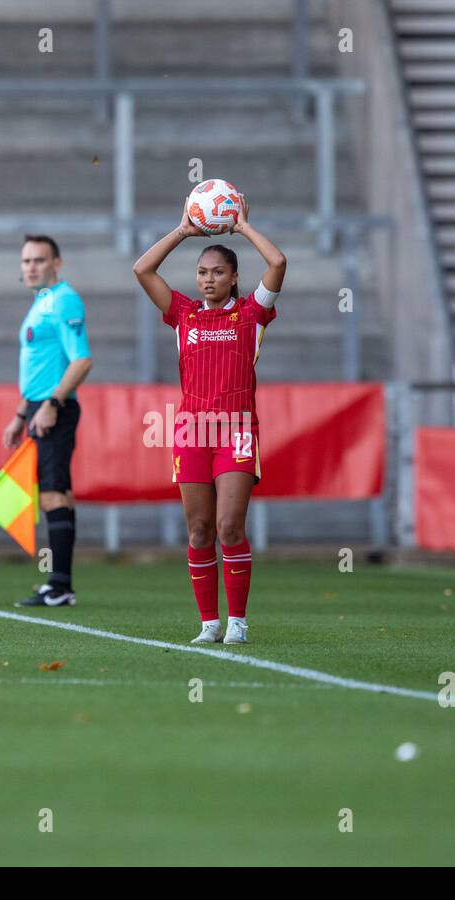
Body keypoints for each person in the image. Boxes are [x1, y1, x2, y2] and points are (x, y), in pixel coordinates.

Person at [132, 199, 286, 644]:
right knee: (199, 530)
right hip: (191, 432)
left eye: (218, 272)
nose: (208, 279)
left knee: (228, 527)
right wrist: (182, 231)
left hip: (237, 431)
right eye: (202, 272)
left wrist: (243, 227)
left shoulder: (252, 313)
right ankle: (208, 623)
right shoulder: (184, 314)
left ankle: (237, 620)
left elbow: (277, 261)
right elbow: (142, 270)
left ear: (234, 276)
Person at [2, 235, 93, 607]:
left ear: (57, 263)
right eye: (26, 261)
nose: (31, 267)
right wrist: (21, 413)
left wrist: (52, 404)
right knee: (59, 494)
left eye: (39, 260)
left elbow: (82, 360)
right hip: (39, 406)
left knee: (53, 494)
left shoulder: (64, 300)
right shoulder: (42, 302)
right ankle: (60, 584)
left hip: (55, 407)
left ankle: (58, 585)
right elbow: (43, 368)